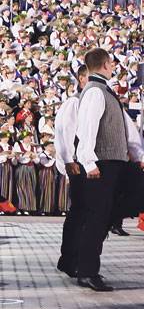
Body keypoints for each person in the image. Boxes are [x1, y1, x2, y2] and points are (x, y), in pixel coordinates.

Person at [74, 48, 144, 292]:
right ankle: (87, 272)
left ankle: (110, 218)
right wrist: (89, 162)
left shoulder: (104, 90)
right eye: (111, 64)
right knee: (96, 217)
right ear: (106, 64)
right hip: (101, 163)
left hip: (115, 161)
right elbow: (86, 130)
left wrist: (138, 156)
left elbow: (122, 130)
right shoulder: (94, 92)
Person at [54, 64, 89, 277]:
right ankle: (69, 259)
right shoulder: (75, 102)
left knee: (85, 213)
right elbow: (64, 133)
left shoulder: (89, 101)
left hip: (89, 163)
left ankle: (74, 258)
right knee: (79, 213)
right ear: (81, 79)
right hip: (78, 164)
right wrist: (67, 161)